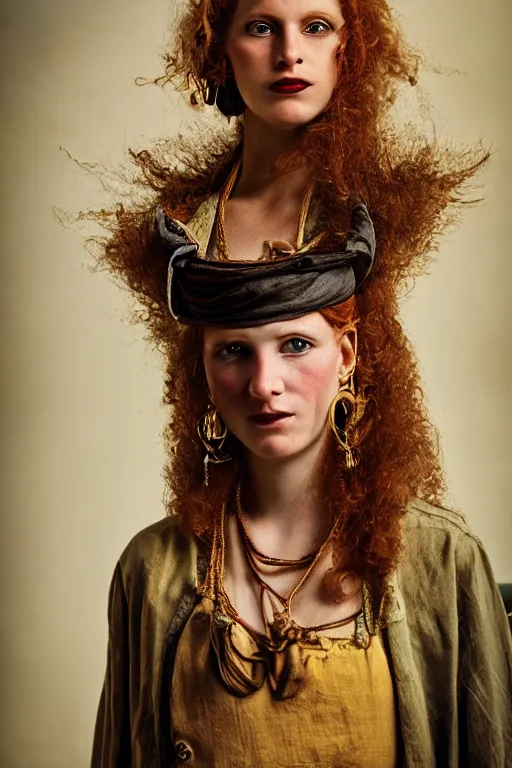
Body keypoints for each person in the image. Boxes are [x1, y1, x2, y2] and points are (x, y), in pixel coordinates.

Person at [89, 0, 512, 766]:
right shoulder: (192, 229)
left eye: (317, 25)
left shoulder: (365, 210)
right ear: (220, 46)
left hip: (360, 514)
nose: (290, 52)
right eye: (261, 26)